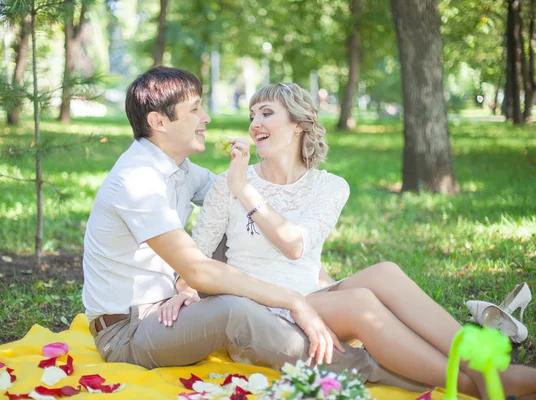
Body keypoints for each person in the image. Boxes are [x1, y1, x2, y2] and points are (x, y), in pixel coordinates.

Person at [184, 82, 536, 399]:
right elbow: (195, 257)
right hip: (261, 317)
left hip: (311, 305)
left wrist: (243, 190)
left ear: (298, 125)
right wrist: (183, 291)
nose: (254, 122)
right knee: (360, 303)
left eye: (266, 113)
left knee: (383, 272)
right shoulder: (231, 182)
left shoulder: (329, 186)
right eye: (252, 115)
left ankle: (482, 366)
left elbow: (295, 245)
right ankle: (480, 385)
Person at [82, 66, 421, 390]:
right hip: (128, 331)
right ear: (159, 121)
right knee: (233, 310)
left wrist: (309, 266)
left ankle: (416, 351)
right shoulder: (137, 180)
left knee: (232, 223)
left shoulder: (181, 170)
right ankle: (375, 369)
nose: (207, 118)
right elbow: (198, 269)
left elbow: (230, 198)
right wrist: (292, 300)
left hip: (168, 309)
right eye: (196, 109)